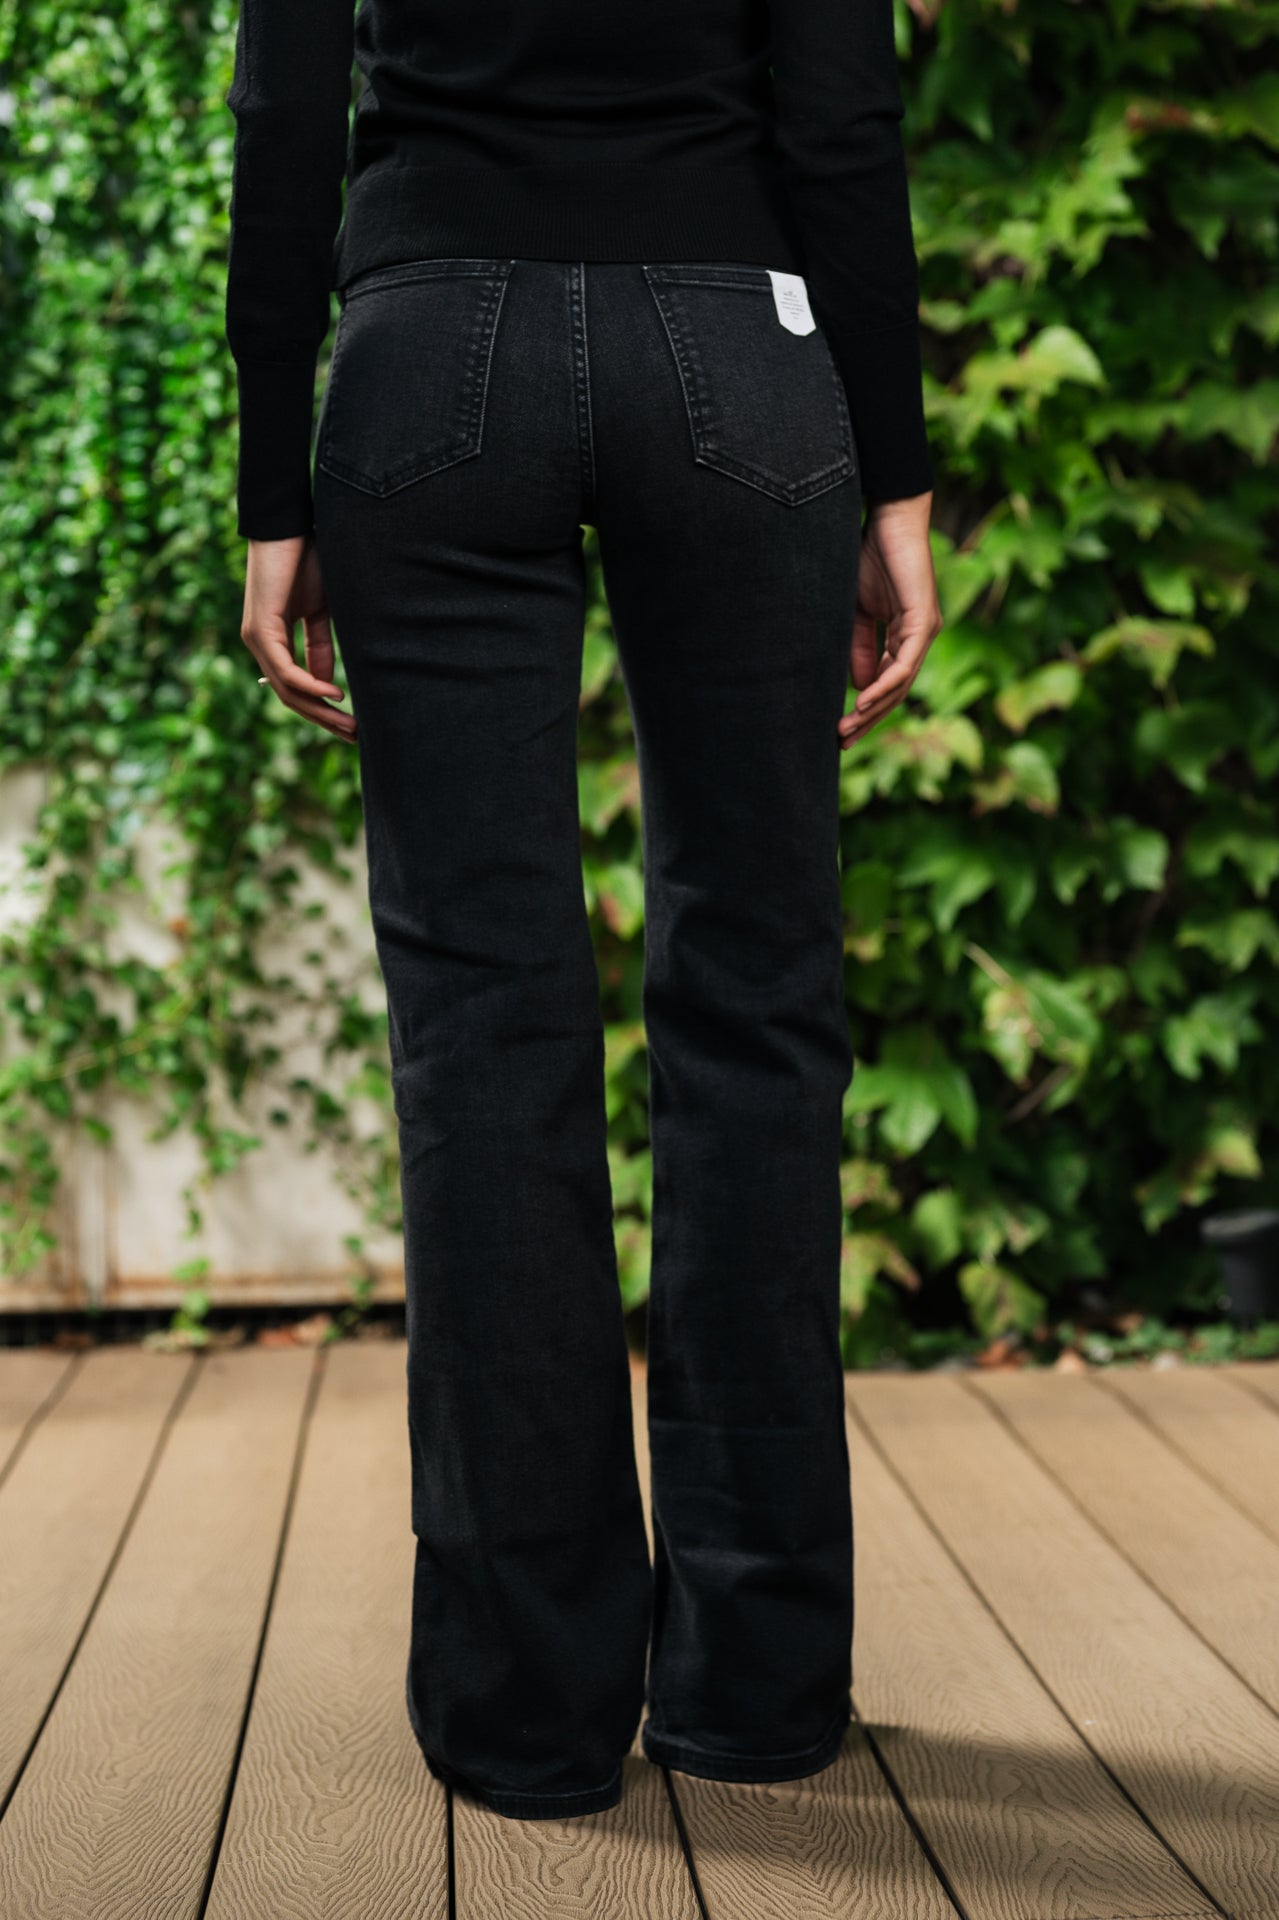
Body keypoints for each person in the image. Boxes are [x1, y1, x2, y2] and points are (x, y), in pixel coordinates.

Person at [225, 0, 943, 1823]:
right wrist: (899, 476)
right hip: (742, 351)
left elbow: (284, 113)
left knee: (482, 1025)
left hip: (425, 357)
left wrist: (269, 483)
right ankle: (757, 1680)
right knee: (758, 1002)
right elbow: (842, 119)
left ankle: (525, 1706)